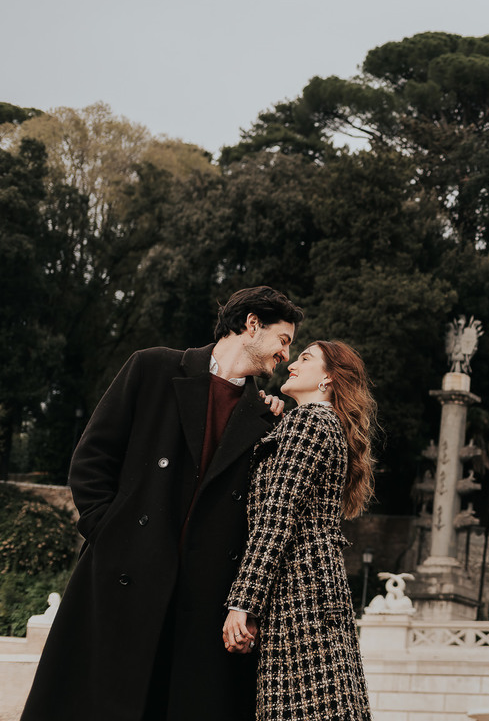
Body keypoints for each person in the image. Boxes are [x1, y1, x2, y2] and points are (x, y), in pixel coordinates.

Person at [22, 286, 303, 721]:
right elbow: (92, 459)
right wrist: (110, 535)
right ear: (252, 324)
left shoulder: (266, 416)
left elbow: (268, 511)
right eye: (283, 340)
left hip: (201, 602)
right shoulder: (153, 367)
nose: (285, 355)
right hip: (124, 578)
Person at [222, 340, 375, 720]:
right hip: (312, 587)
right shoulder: (316, 424)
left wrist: (243, 603)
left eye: (304, 358)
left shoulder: (309, 422)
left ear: (327, 378)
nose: (291, 364)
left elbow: (276, 515)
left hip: (299, 590)